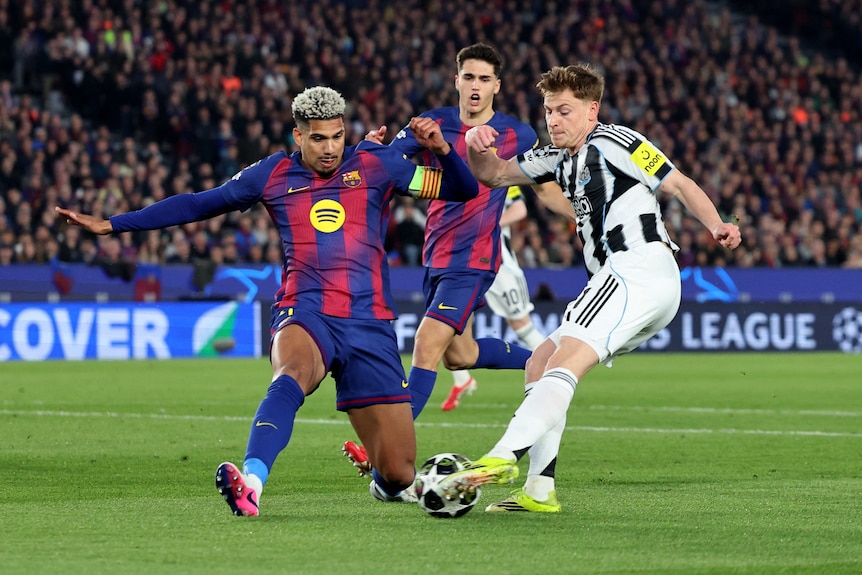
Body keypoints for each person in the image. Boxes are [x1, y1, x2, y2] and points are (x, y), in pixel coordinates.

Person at [55, 86, 479, 516]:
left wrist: (443, 150)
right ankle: (252, 483)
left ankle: (386, 486)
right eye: (317, 138)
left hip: (369, 322)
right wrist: (113, 225)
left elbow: (463, 191)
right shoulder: (271, 174)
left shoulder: (378, 164)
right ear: (298, 136)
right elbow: (198, 204)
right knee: (292, 372)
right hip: (305, 309)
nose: (329, 148)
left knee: (399, 471)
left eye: (336, 136)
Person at [438, 63, 742, 512]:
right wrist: (473, 144)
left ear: (591, 110)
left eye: (564, 110)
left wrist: (717, 224)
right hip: (624, 281)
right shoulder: (554, 159)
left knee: (565, 360)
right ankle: (539, 491)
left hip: (638, 266)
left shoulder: (616, 141)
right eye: (548, 110)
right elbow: (495, 175)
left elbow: (677, 184)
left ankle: (502, 456)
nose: (554, 119)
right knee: (540, 361)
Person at [343, 42, 562, 477]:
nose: (476, 86)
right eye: (469, 77)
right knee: (458, 355)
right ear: (457, 80)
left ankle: (384, 450)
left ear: (496, 86)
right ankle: (550, 359)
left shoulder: (519, 134)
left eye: (485, 79)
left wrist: (580, 214)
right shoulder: (433, 124)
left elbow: (544, 187)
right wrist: (364, 151)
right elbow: (388, 161)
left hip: (476, 260)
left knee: (425, 345)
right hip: (436, 257)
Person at [441, 185, 545, 411]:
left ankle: (556, 370)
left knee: (521, 325)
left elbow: (519, 210)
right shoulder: (462, 175)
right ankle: (462, 380)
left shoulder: (497, 174)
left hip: (500, 264)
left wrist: (487, 224)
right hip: (467, 261)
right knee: (449, 322)